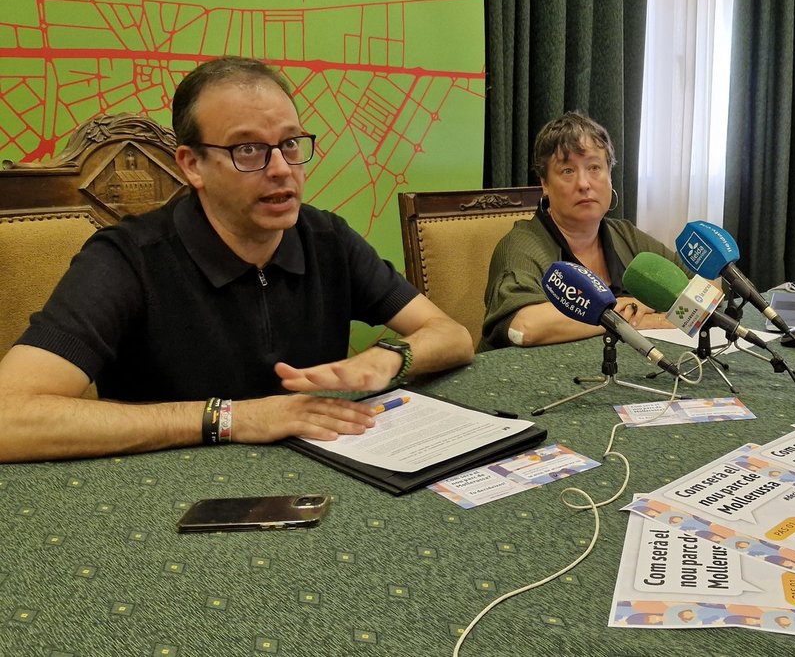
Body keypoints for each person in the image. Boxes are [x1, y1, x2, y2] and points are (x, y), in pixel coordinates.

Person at [0, 56, 474, 463]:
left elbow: (452, 336)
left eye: (290, 143)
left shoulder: (326, 236)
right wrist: (230, 417)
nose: (282, 169)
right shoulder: (128, 259)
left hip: (324, 480)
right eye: (248, 149)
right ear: (192, 165)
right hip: (166, 498)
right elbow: (9, 416)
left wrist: (391, 356)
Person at [480, 111, 682, 350]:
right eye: (567, 171)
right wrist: (628, 319)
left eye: (595, 168)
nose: (584, 183)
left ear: (610, 176)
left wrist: (653, 311)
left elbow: (707, 288)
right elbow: (524, 327)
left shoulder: (625, 235)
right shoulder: (522, 245)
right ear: (544, 184)